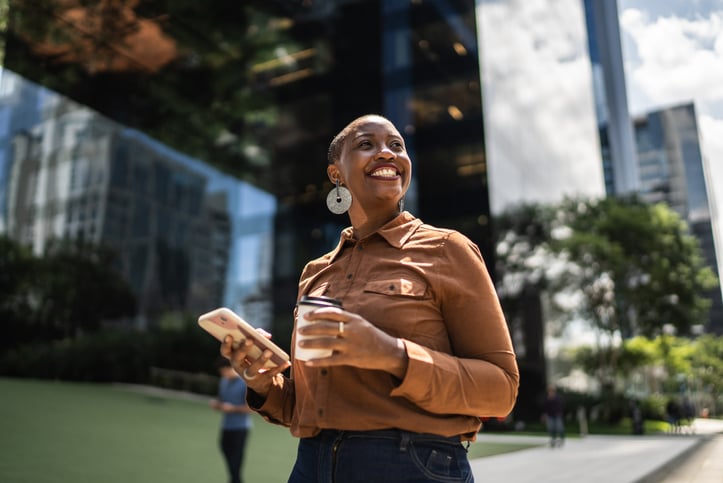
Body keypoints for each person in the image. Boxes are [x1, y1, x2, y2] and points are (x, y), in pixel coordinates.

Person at [221, 114, 519, 482]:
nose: (387, 153)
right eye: (367, 144)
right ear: (336, 174)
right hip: (312, 464)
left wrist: (390, 354)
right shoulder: (315, 273)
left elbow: (501, 390)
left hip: (413, 464)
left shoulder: (448, 250)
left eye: (396, 146)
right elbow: (310, 407)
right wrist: (264, 382)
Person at [209, 357, 253, 483]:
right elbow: (222, 400)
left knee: (236, 460)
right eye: (222, 372)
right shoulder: (224, 381)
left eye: (225, 371)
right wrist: (217, 404)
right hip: (226, 426)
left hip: (241, 428)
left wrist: (232, 408)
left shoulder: (245, 383)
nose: (224, 374)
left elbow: (250, 409)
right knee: (224, 449)